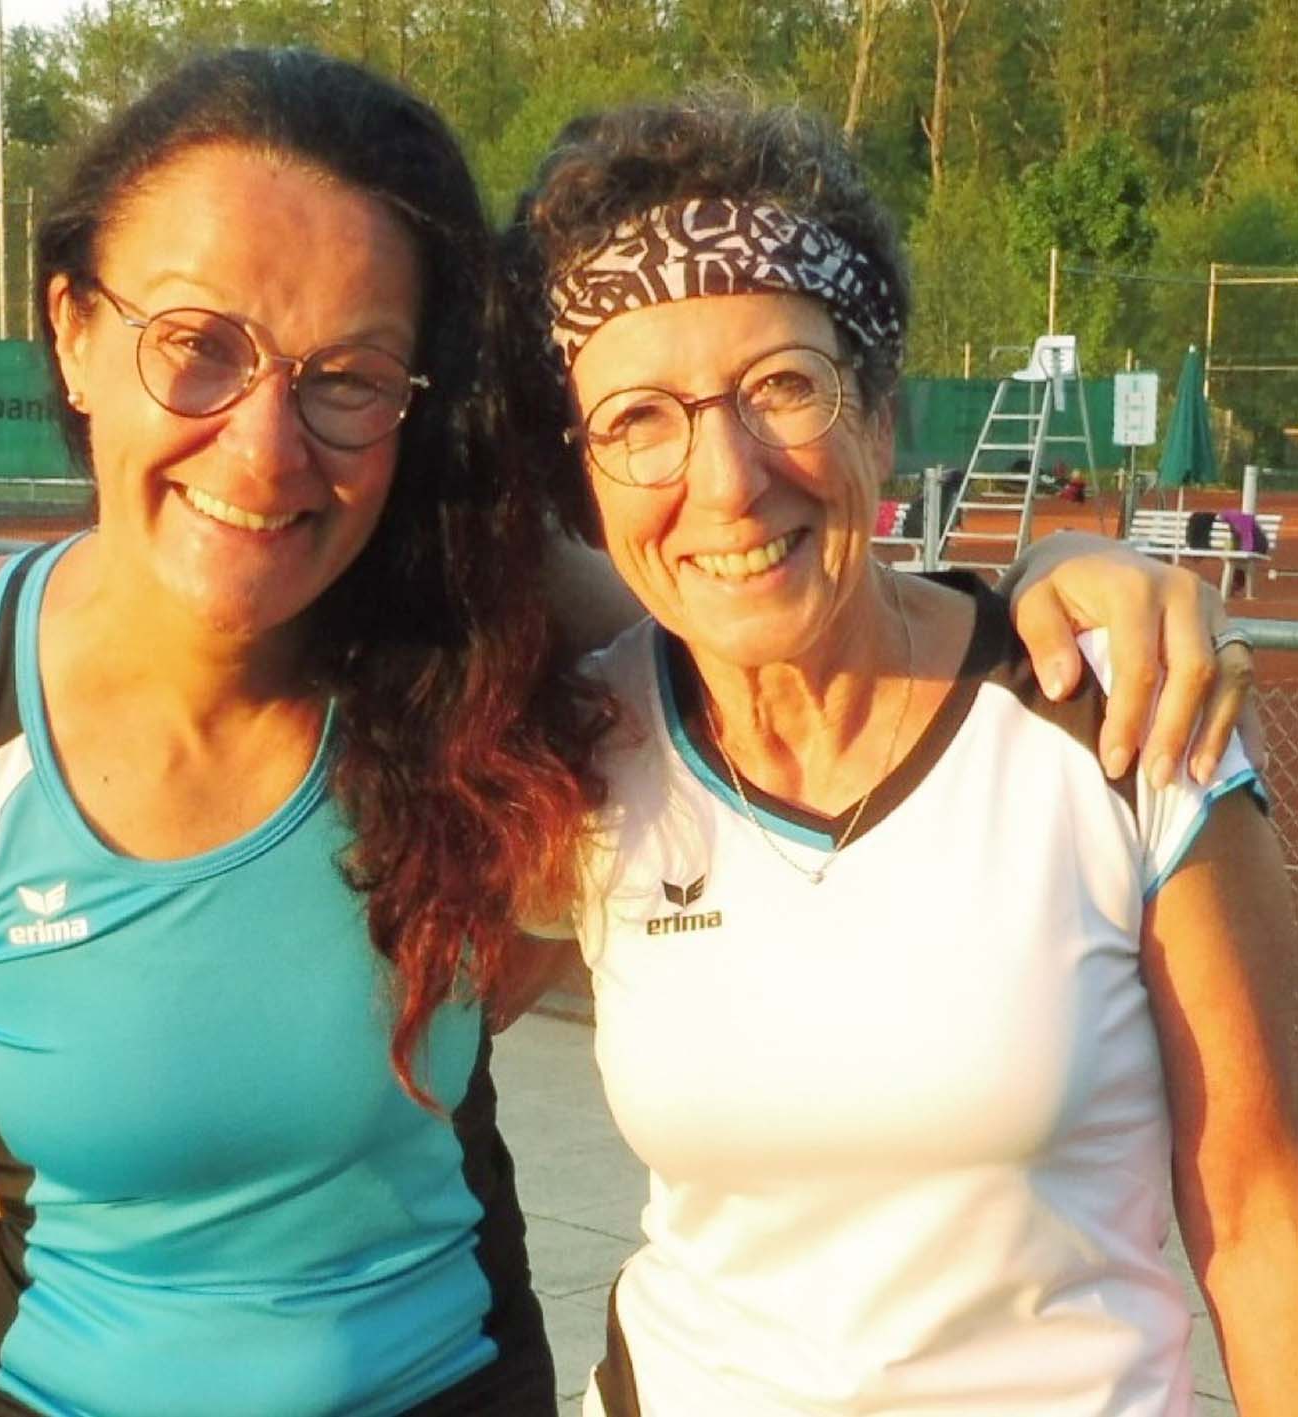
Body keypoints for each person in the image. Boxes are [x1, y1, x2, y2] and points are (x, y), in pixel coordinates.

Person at [0, 47, 1257, 1417]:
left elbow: (759, 593)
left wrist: (1071, 578)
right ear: (72, 330)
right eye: (196, 345)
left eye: (348, 376)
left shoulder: (498, 641)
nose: (265, 446)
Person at [497, 98, 1298, 1416]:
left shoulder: (1122, 724)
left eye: (781, 386)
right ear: (584, 473)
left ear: (877, 416)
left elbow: (1268, 1224)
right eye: (638, 417)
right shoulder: (580, 751)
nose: (726, 478)